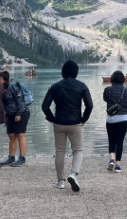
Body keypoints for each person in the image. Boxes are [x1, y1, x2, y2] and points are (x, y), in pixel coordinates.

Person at [41, 60, 93, 191]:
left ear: (63, 71)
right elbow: (90, 105)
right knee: (78, 150)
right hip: (75, 122)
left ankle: (60, 181)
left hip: (59, 122)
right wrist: (84, 119)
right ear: (76, 72)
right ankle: (73, 174)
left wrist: (52, 118)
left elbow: (44, 106)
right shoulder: (82, 86)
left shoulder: (55, 86)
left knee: (60, 151)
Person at [104, 70, 127, 173]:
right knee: (120, 141)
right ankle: (118, 166)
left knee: (111, 140)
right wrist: (123, 105)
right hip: (123, 119)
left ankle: (111, 159)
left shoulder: (107, 90)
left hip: (111, 119)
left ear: (112, 79)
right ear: (123, 79)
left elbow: (105, 100)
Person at [0, 71, 30, 167]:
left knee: (20, 135)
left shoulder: (13, 87)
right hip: (10, 114)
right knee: (11, 135)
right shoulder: (1, 89)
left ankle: (22, 158)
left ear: (1, 79)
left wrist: (19, 113)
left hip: (22, 112)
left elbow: (20, 100)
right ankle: (11, 157)